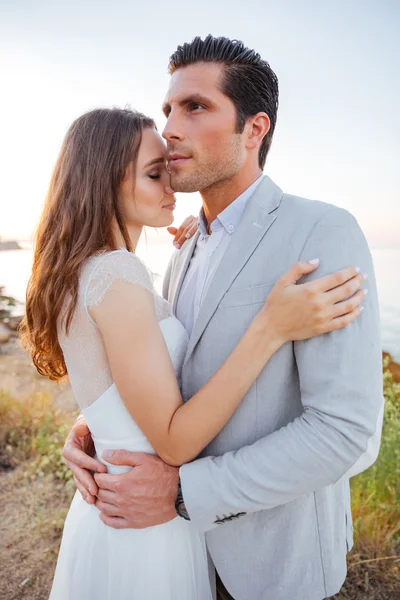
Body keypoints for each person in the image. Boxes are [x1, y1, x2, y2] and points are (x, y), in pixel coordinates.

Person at [61, 37, 383, 600]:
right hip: (172, 555)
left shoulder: (321, 232)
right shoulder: (179, 252)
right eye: (168, 110)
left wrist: (184, 493)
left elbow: (345, 432)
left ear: (254, 129)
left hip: (271, 564)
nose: (171, 129)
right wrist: (96, 430)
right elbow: (166, 380)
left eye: (196, 107)